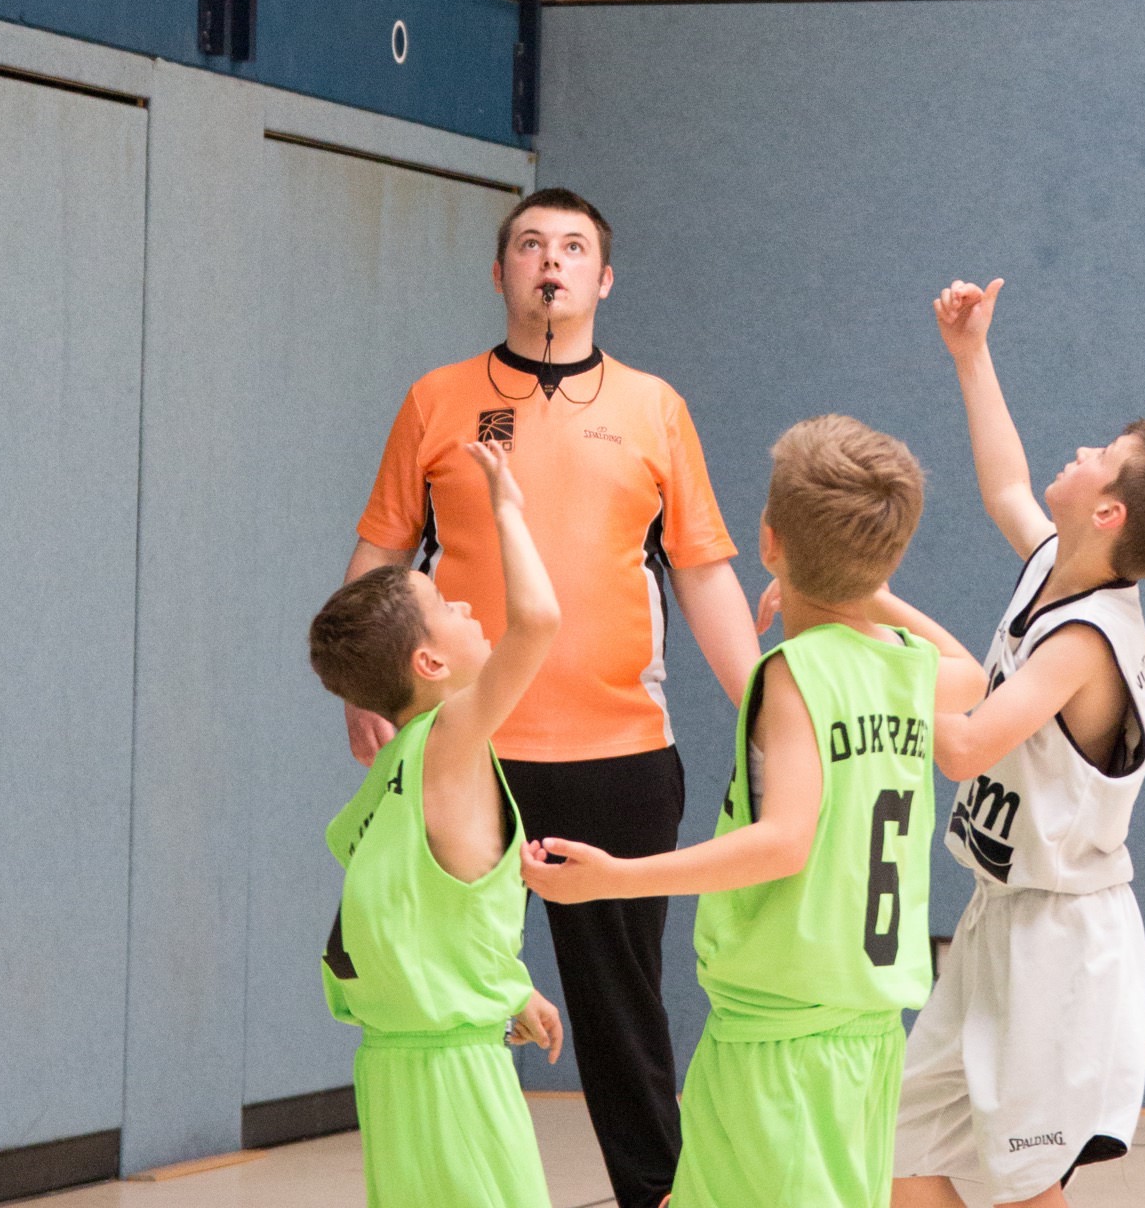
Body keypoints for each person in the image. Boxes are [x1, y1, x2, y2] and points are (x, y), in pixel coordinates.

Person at [343, 187, 760, 1208]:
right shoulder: (437, 400)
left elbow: (703, 573)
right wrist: (360, 686)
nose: (551, 262)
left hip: (618, 753)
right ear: (501, 274)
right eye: (530, 245)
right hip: (468, 755)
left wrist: (764, 707)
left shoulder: (654, 406)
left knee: (623, 1011)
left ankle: (655, 1196)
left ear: (603, 280)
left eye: (573, 247)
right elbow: (385, 552)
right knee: (449, 990)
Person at [525, 414, 987, 1208]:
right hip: (863, 1023)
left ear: (768, 542)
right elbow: (971, 675)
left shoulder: (794, 675)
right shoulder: (902, 667)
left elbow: (783, 842)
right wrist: (877, 595)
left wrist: (616, 878)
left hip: (783, 1036)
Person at [893, 279, 1145, 1208]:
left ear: (1111, 513)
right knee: (899, 1154)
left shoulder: (1086, 643)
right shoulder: (1057, 562)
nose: (1083, 451)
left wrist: (867, 660)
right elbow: (1005, 485)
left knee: (1024, 1189)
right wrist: (971, 355)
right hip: (999, 919)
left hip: (1061, 947)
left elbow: (964, 748)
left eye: (1103, 456)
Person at [307, 441, 565, 1208]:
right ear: (429, 665)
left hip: (389, 1068)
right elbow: (538, 621)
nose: (466, 607)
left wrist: (504, 986)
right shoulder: (450, 739)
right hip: (455, 1072)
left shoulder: (386, 780)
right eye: (448, 606)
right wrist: (508, 511)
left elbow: (418, 913)